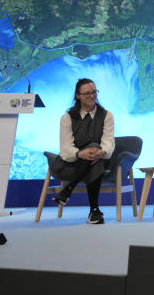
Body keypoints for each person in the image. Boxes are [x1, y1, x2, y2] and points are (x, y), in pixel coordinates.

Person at [51, 78, 114, 224]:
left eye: (94, 92)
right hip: (70, 163)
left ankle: (68, 190)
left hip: (98, 160)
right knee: (94, 156)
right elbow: (66, 149)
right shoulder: (67, 118)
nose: (91, 96)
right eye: (86, 94)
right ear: (78, 95)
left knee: (96, 151)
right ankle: (94, 211)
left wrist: (103, 152)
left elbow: (108, 142)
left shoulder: (106, 115)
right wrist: (80, 154)